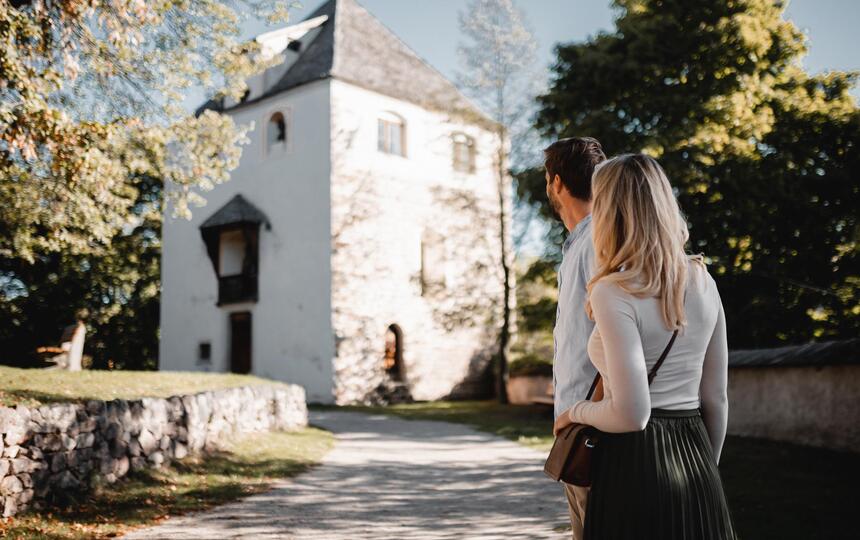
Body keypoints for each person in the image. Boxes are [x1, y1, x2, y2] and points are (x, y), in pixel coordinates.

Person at [553, 154, 737, 539]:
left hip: (633, 464)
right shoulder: (704, 281)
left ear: (609, 211)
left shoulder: (612, 291)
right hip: (696, 458)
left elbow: (632, 414)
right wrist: (706, 469)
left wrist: (573, 413)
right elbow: (716, 397)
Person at [544, 136, 606, 540]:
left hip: (594, 430)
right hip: (578, 426)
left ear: (558, 183)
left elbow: (616, 333)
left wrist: (585, 418)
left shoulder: (598, 242)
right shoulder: (578, 245)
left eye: (548, 178)